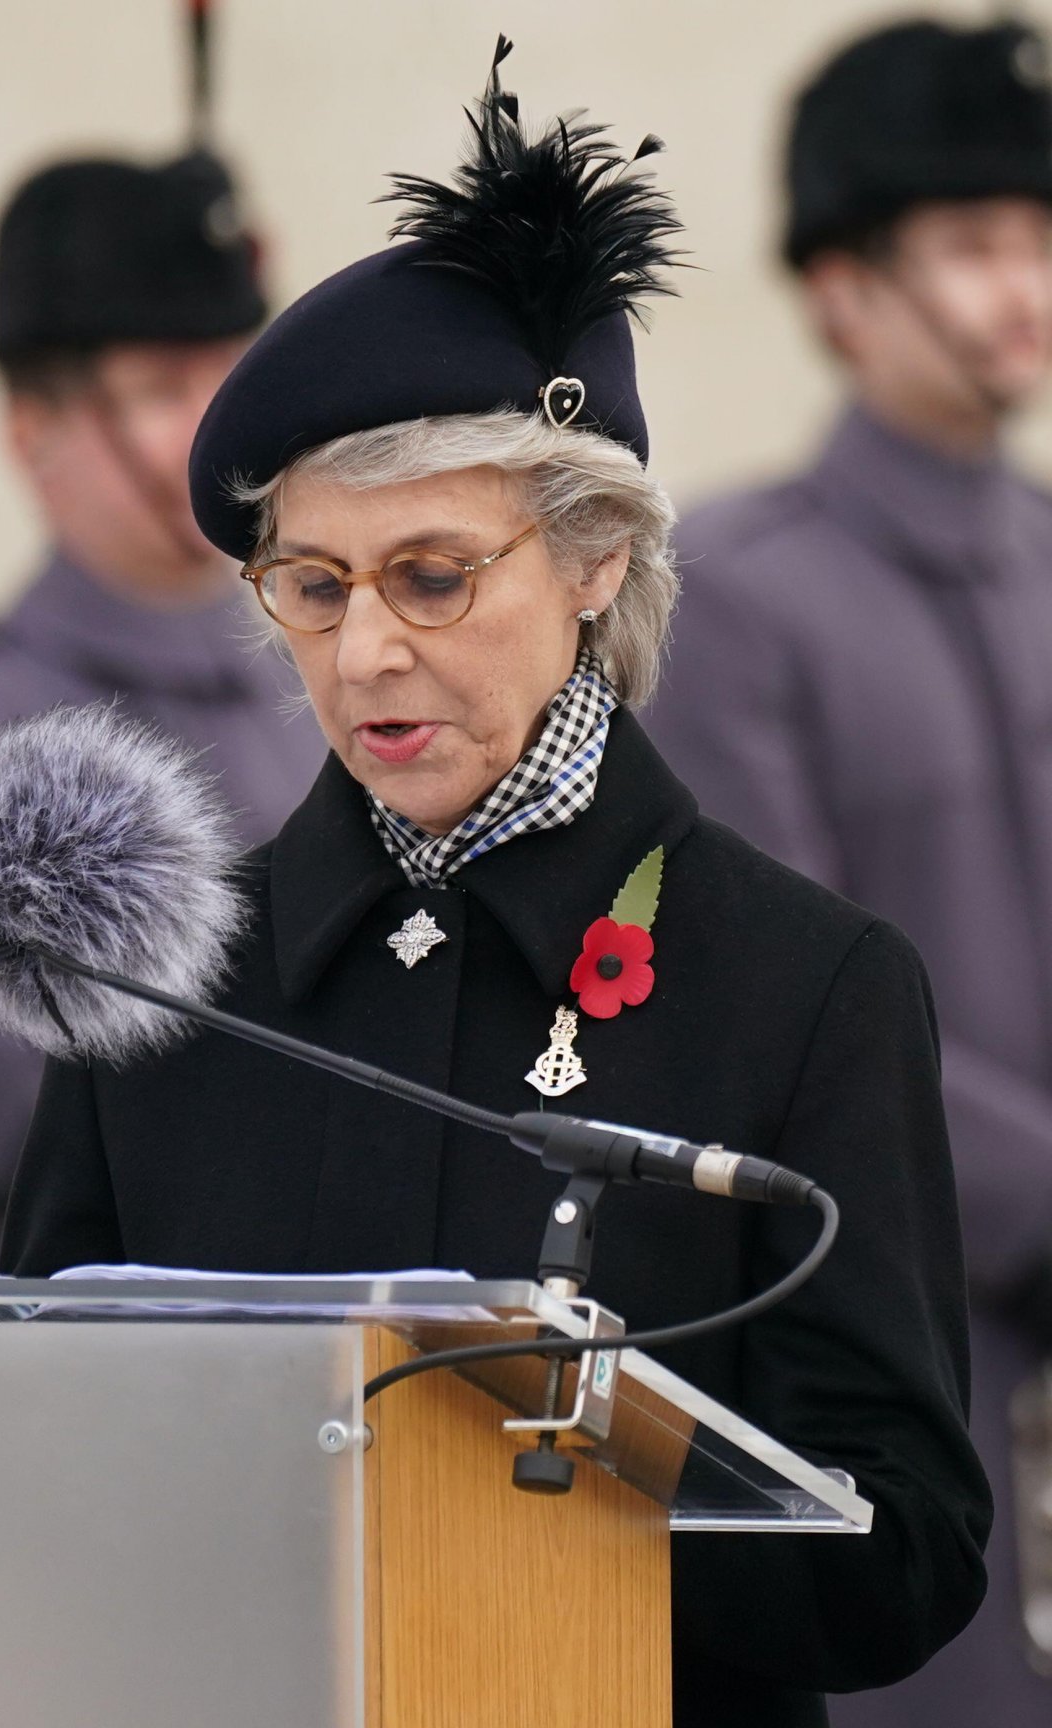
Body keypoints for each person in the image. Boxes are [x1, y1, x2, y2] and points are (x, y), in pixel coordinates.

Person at [0, 43, 990, 1726]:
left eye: (434, 576)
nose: (366, 649)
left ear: (596, 556)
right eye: (310, 587)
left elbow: (906, 1547)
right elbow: (25, 1453)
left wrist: (572, 1488)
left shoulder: (805, 980)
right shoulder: (161, 976)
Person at [647, 17, 1052, 1725]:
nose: (1020, 280)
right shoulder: (734, 595)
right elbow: (788, 1002)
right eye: (968, 241)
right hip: (893, 1357)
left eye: (1036, 234)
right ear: (840, 288)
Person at [0, 149, 324, 1276]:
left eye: (235, 372)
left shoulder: (340, 675)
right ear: (32, 432)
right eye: (165, 389)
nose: (224, 427)